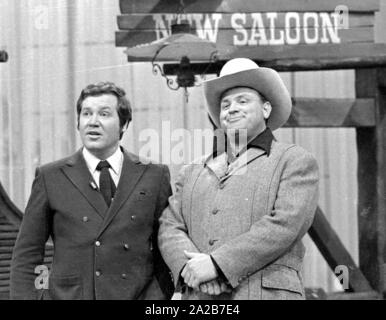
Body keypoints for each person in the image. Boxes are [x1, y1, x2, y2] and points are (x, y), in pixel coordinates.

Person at [158, 58, 319, 300]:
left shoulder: (294, 160)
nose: (231, 109)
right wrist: (190, 269)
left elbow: (285, 224)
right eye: (225, 105)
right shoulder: (192, 171)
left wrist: (217, 265)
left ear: (266, 109)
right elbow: (170, 226)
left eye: (242, 101)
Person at [10, 82, 174, 300]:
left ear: (124, 124)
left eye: (104, 114)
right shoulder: (50, 177)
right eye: (86, 114)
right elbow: (26, 254)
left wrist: (159, 298)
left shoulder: (154, 175)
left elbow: (165, 246)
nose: (93, 122)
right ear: (78, 123)